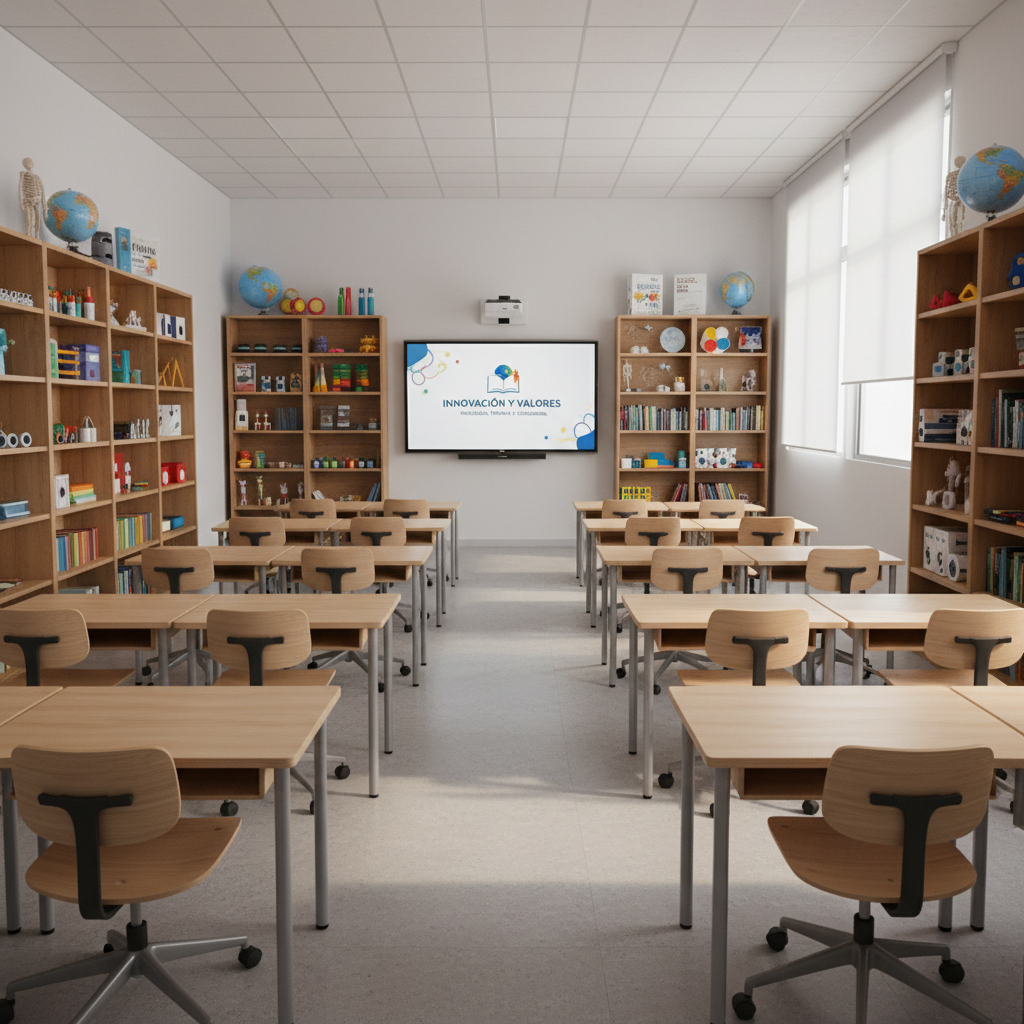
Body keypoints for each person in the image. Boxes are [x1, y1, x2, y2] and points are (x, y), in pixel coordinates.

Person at [18, 158, 44, 239]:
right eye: (27, 162)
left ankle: (36, 237)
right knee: (30, 222)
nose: (30, 164)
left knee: (37, 221)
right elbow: (20, 188)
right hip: (28, 201)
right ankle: (29, 237)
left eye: (31, 162)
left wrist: (44, 205)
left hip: (37, 200)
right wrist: (21, 202)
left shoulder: (37, 177)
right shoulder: (23, 174)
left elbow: (42, 190)